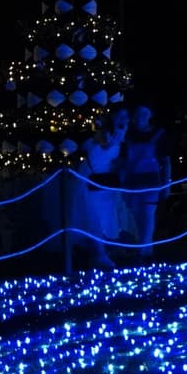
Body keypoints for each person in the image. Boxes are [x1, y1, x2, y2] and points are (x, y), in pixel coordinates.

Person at [118, 105, 171, 257]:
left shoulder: (159, 134)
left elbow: (166, 161)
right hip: (132, 182)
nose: (141, 115)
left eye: (145, 112)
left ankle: (143, 252)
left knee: (148, 215)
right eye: (139, 112)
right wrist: (122, 184)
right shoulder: (127, 134)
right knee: (137, 216)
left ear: (150, 114)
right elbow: (122, 161)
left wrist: (167, 184)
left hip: (151, 182)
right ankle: (147, 250)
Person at [75, 111, 124, 268]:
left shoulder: (118, 138)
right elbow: (93, 160)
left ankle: (103, 252)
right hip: (94, 185)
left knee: (106, 219)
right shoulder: (97, 145)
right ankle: (99, 254)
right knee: (95, 220)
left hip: (108, 186)